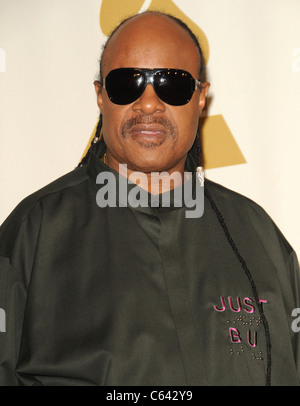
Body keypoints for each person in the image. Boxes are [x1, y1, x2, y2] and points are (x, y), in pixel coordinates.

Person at [0, 10, 299, 387]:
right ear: (100, 95)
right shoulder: (36, 231)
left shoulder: (256, 234)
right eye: (128, 83)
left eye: (171, 84)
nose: (148, 103)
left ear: (200, 97)